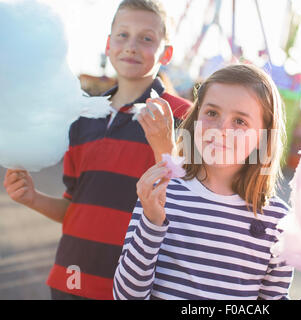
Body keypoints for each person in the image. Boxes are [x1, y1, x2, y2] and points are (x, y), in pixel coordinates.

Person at [2, 0, 191, 300]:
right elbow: (74, 209)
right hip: (70, 279)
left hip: (134, 288)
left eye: (146, 38)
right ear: (107, 44)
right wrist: (32, 198)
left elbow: (192, 208)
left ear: (166, 53)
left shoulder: (183, 118)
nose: (131, 46)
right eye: (122, 35)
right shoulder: (82, 117)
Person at [113, 64, 301, 300]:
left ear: (262, 137)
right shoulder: (163, 194)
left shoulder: (278, 221)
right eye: (212, 113)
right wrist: (152, 222)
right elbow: (126, 295)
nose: (221, 129)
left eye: (240, 121)